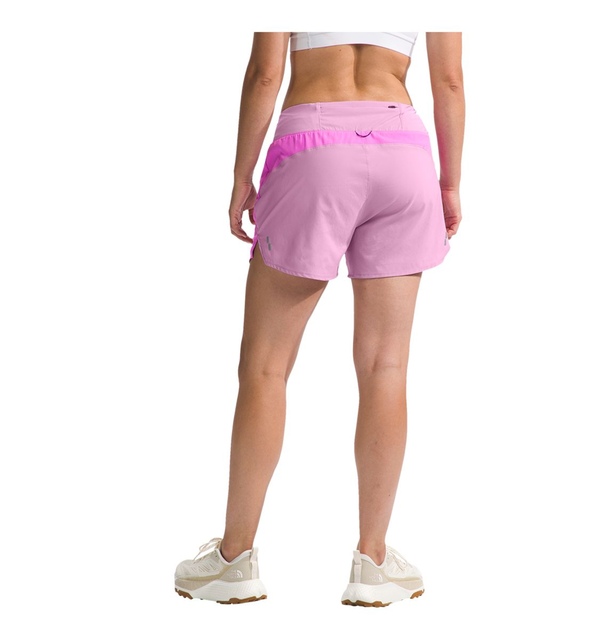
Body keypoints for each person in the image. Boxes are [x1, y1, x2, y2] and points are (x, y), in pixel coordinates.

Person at [174, 31, 464, 607]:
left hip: (313, 145)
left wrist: (241, 177)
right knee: (386, 366)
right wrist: (450, 184)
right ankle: (373, 562)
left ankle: (233, 561)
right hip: (404, 150)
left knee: (265, 368)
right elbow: (449, 82)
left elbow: (264, 74)